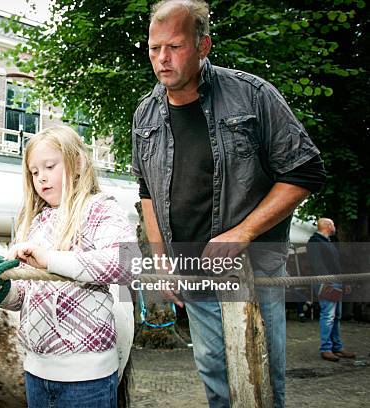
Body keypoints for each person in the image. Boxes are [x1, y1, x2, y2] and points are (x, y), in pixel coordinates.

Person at [131, 1, 326, 407]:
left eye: (175, 46)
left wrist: (244, 232)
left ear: (203, 46)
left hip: (252, 271)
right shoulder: (145, 114)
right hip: (192, 273)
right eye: (154, 48)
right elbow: (146, 191)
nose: (162, 59)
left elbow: (305, 172)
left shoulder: (252, 95)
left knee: (260, 381)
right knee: (216, 378)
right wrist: (160, 260)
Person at [0, 126, 138, 407]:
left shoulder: (101, 209)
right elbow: (23, 298)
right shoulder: (35, 223)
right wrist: (3, 285)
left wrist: (50, 259)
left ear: (77, 164)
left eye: (49, 166)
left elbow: (126, 264)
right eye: (34, 172)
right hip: (35, 372)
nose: (41, 177)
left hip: (88, 377)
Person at [307, 218, 355, 362]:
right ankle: (326, 349)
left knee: (336, 316)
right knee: (328, 316)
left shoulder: (326, 242)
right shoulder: (315, 242)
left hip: (335, 282)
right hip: (327, 282)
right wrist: (326, 282)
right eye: (333, 224)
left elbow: (335, 265)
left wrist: (343, 282)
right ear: (328, 226)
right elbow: (317, 264)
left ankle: (337, 347)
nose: (335, 226)